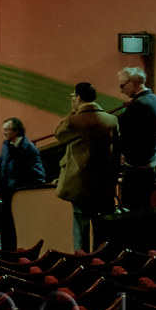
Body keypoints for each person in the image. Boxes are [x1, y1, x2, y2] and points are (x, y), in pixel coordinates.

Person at [56, 82, 119, 252]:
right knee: (102, 228)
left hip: (80, 186)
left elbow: (59, 134)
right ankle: (101, 263)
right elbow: (116, 154)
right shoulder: (111, 120)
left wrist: (72, 112)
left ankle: (82, 263)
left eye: (73, 97)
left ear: (78, 97)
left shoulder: (75, 121)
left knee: (80, 226)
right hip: (104, 185)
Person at [0, 117, 46, 251]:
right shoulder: (5, 145)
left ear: (15, 131)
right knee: (6, 233)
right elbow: (1, 169)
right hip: (6, 199)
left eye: (6, 129)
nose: (3, 132)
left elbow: (39, 177)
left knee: (19, 235)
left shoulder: (30, 150)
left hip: (22, 201)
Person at [116, 67, 156, 212]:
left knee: (130, 211)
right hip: (151, 164)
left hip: (137, 170)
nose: (121, 90)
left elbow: (122, 133)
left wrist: (122, 153)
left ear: (133, 82)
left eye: (122, 85)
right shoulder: (155, 99)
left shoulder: (137, 106)